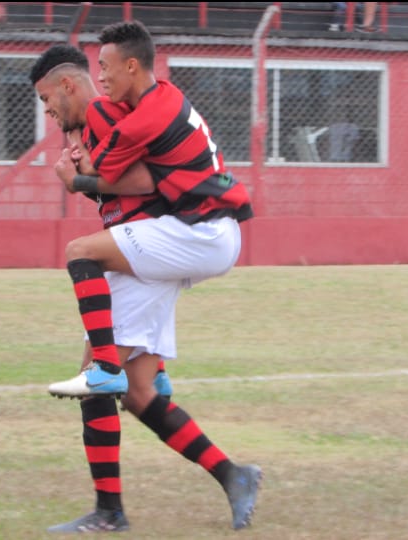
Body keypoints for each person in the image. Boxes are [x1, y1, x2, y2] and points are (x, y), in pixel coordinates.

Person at [38, 20, 261, 533]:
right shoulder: (122, 108)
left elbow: (130, 180)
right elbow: (124, 186)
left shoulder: (121, 114)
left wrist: (78, 179)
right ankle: (233, 476)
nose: (47, 112)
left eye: (49, 100)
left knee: (80, 254)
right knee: (136, 395)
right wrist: (87, 167)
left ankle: (110, 509)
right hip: (176, 237)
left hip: (197, 232)